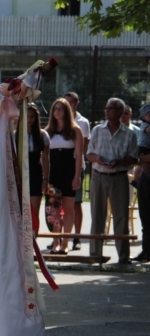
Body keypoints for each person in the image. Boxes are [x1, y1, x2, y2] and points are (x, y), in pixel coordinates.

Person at [87, 98, 138, 265]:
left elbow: (134, 157)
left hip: (119, 177)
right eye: (106, 108)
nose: (106, 111)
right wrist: (99, 160)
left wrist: (121, 161)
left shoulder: (129, 134)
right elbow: (89, 154)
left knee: (121, 216)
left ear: (119, 112)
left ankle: (123, 256)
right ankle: (95, 254)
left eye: (110, 109)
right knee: (97, 215)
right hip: (98, 176)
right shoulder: (96, 130)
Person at [46, 98, 83, 254]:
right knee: (53, 208)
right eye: (55, 109)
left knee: (68, 208)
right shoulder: (48, 131)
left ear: (67, 111)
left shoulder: (75, 130)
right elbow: (44, 156)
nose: (58, 111)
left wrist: (77, 177)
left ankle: (65, 243)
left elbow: (79, 156)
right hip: (53, 174)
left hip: (68, 173)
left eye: (61, 108)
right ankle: (56, 242)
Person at [64, 91, 90, 251]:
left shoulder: (83, 122)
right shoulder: (60, 120)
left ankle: (76, 237)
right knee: (57, 202)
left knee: (76, 203)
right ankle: (59, 238)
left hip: (75, 166)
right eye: (65, 102)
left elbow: (83, 148)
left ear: (76, 103)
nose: (68, 105)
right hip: (61, 167)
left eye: (71, 102)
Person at [24, 104, 51, 231]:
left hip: (35, 174)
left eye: (32, 117)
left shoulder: (42, 135)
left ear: (36, 118)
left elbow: (45, 159)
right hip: (21, 174)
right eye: (27, 117)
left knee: (34, 212)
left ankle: (33, 243)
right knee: (21, 212)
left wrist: (45, 179)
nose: (29, 120)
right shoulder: (15, 134)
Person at [133, 104, 150, 262]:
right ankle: (146, 251)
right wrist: (143, 160)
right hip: (147, 176)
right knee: (146, 217)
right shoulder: (145, 127)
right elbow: (139, 158)